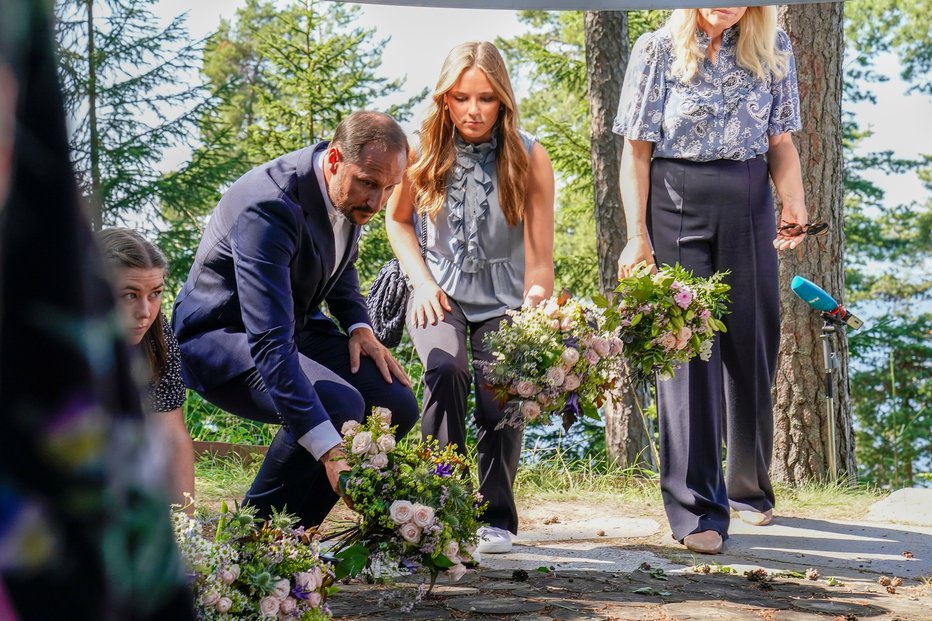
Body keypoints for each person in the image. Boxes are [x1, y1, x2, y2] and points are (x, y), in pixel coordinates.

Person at [614, 6, 811, 554]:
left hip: (750, 200)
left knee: (753, 341)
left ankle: (747, 487)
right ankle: (695, 506)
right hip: (677, 200)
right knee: (686, 348)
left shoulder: (776, 47)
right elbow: (635, 149)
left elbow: (780, 143)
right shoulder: (655, 48)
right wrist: (637, 236)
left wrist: (792, 205)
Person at [172, 111, 419, 528]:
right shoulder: (269, 206)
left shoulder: (347, 190)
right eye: (369, 184)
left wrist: (360, 327)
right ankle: (247, 540)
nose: (377, 203)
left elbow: (339, 262)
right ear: (336, 158)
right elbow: (269, 342)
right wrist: (330, 452)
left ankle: (296, 540)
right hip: (222, 338)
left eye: (388, 189)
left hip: (295, 325)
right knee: (338, 403)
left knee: (394, 403)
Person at [386, 41, 555, 554]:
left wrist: (536, 302)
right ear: (444, 99)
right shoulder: (420, 151)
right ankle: (439, 507)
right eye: (461, 98)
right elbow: (397, 222)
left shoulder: (530, 154)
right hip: (438, 292)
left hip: (505, 299)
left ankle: (496, 516)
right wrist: (420, 282)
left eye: (485, 98)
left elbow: (540, 257)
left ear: (503, 100)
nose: (473, 111)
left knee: (498, 390)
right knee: (445, 370)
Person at [97, 227, 196, 510]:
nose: (145, 312)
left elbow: (171, 436)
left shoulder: (157, 336)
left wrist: (184, 527)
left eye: (155, 294)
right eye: (129, 295)